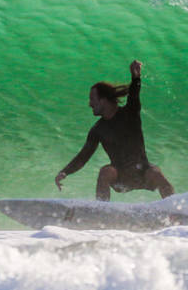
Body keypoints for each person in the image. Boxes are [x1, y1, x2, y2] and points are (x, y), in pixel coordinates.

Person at [55, 60, 175, 201]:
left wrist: (136, 77)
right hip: (121, 177)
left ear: (103, 100)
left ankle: (174, 208)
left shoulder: (130, 113)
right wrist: (65, 172)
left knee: (156, 172)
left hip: (143, 173)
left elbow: (134, 95)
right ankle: (102, 209)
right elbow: (84, 156)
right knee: (105, 172)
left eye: (93, 99)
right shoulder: (97, 130)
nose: (90, 104)